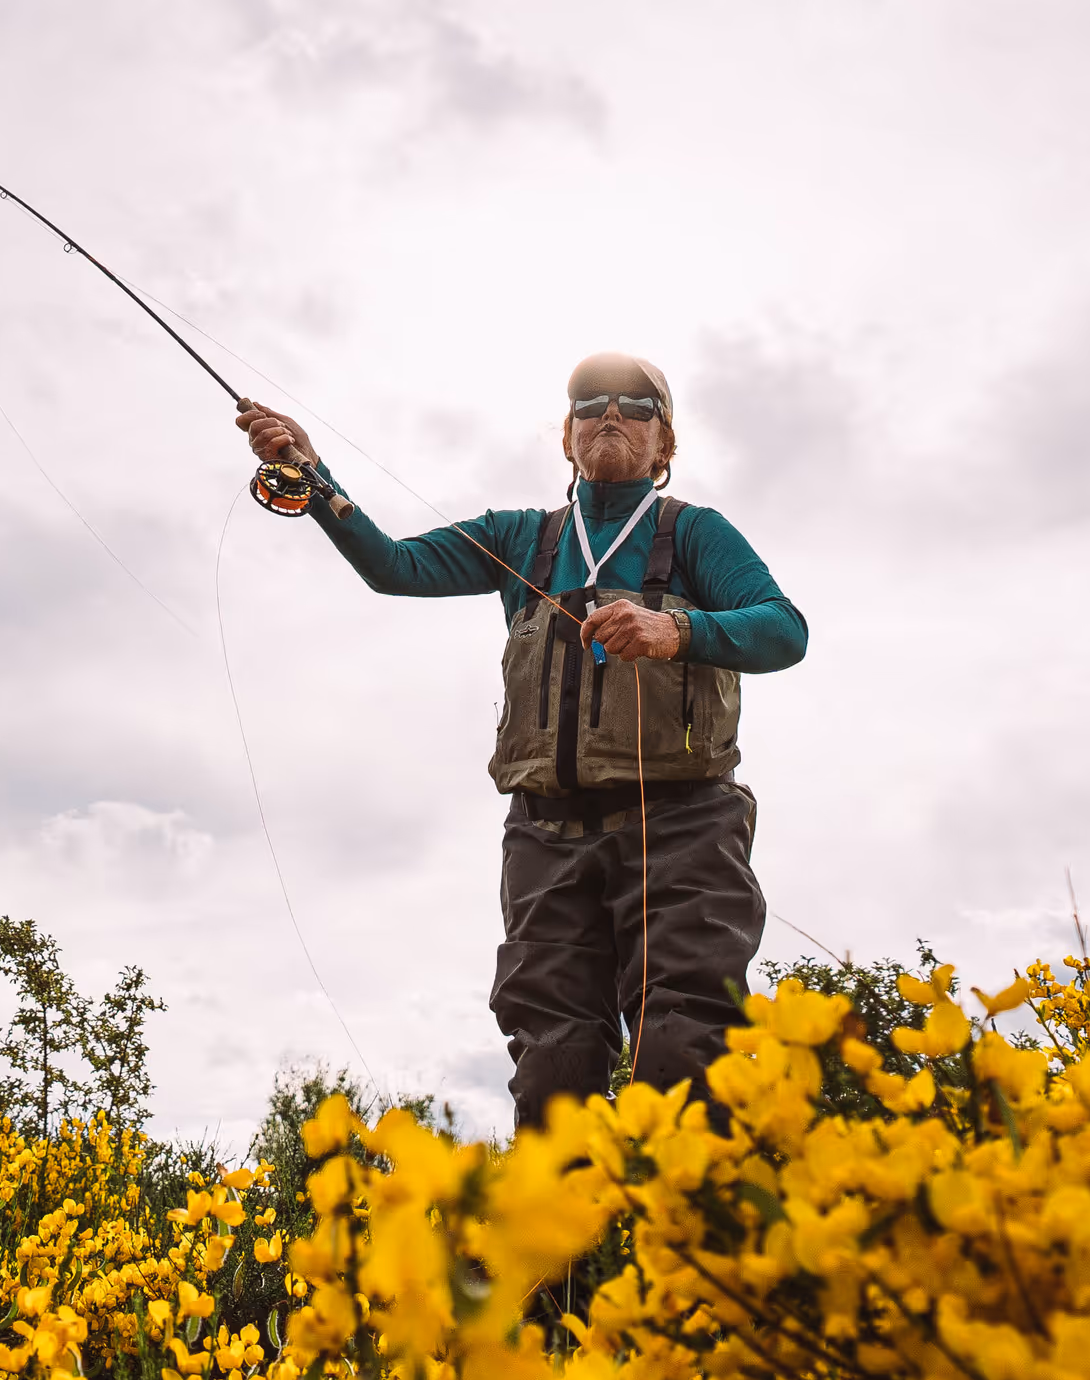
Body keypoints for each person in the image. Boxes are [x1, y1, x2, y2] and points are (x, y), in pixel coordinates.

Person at [235, 353, 808, 1132]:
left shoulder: (696, 535)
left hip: (683, 826)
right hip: (545, 835)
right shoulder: (522, 539)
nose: (611, 412)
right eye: (588, 403)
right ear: (565, 439)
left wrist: (674, 628)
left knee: (686, 1050)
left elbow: (784, 630)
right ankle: (564, 1254)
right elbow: (393, 567)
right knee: (553, 1065)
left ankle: (687, 1243)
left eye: (637, 406)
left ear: (664, 445)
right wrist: (313, 474)